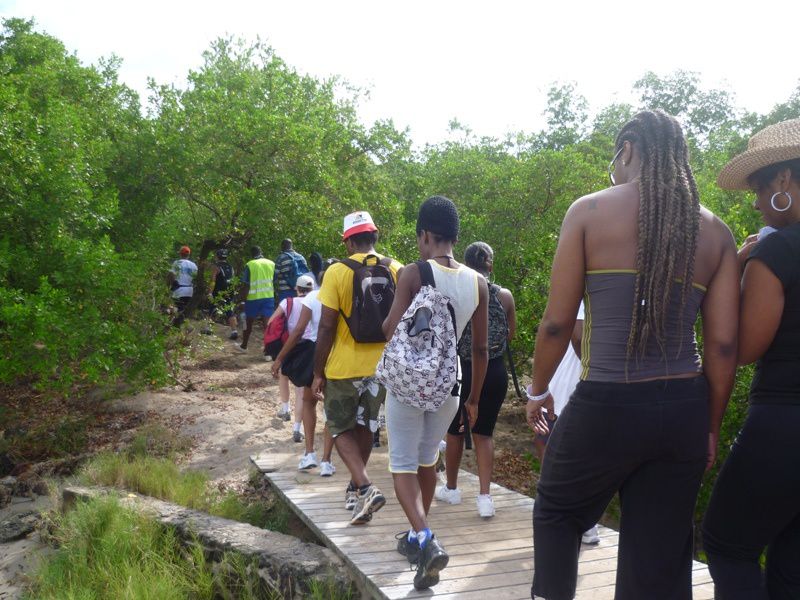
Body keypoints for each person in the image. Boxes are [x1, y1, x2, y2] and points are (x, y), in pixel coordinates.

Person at [527, 109, 739, 600]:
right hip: (683, 409)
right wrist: (709, 424)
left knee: (559, 511)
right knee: (658, 558)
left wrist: (538, 392)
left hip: (608, 403)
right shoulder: (717, 234)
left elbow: (558, 322)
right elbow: (723, 345)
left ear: (626, 151)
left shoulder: (589, 212)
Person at [702, 118, 800, 600]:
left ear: (783, 180)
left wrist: (736, 268)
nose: (757, 202)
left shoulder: (777, 251)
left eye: (760, 189)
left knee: (726, 544)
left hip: (783, 421)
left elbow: (741, 348)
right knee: (790, 565)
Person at [381, 196, 489, 590]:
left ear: (424, 235)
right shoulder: (478, 282)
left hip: (412, 383)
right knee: (427, 460)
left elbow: (391, 328)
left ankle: (426, 538)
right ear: (455, 237)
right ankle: (417, 537)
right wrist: (474, 399)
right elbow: (480, 350)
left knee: (403, 463)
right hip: (452, 385)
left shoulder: (414, 272)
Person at [311, 211, 402, 525]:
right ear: (374, 236)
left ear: (348, 240)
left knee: (338, 428)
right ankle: (356, 489)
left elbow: (325, 328)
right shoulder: (397, 269)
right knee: (365, 426)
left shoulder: (337, 272)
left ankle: (364, 485)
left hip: (343, 367)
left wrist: (317, 371)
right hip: (382, 368)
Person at [435, 241, 515, 519]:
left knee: (455, 431)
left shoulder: (458, 293)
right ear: (490, 264)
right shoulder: (505, 296)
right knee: (484, 434)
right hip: (495, 372)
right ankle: (484, 498)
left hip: (464, 369)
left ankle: (453, 489)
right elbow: (509, 335)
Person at [273, 261, 338, 476]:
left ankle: (309, 453)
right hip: (338, 356)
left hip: (316, 354)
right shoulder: (345, 296)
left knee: (309, 402)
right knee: (331, 409)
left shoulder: (312, 297)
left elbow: (299, 331)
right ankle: (327, 461)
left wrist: (279, 358)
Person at [268, 274, 315, 439]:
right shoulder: (315, 301)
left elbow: (271, 321)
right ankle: (297, 429)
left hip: (290, 345)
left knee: (284, 375)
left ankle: (285, 408)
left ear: (296, 288)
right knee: (301, 390)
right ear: (312, 289)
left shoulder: (287, 302)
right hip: (309, 347)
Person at [238, 246, 276, 351]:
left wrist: (243, 301)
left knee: (248, 322)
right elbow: (274, 280)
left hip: (252, 298)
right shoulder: (272, 263)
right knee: (267, 324)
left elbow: (246, 285)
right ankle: (268, 350)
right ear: (261, 252)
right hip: (268, 297)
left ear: (252, 254)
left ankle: (244, 345)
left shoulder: (250, 264)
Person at [207, 248, 238, 340]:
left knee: (212, 307)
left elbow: (213, 281)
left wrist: (209, 292)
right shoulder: (231, 267)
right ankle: (234, 331)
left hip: (218, 291)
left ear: (217, 256)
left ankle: (208, 328)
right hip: (229, 291)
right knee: (229, 310)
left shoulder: (216, 267)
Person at [168, 245, 197, 326]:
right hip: (189, 290)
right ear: (189, 255)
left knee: (174, 307)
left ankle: (171, 325)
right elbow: (195, 278)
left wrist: (169, 285)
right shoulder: (194, 265)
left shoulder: (177, 263)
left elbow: (171, 275)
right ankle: (181, 326)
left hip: (178, 289)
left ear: (180, 254)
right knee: (183, 309)